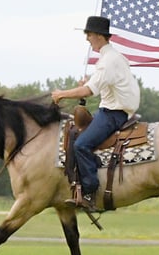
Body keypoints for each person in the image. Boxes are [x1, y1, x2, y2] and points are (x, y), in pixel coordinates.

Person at [51, 16, 140, 212]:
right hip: (113, 110)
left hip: (113, 114)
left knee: (81, 144)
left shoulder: (108, 60)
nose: (87, 39)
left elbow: (89, 91)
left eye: (89, 34)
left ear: (99, 36)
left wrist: (61, 94)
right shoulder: (112, 58)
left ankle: (90, 191)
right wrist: (85, 85)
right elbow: (99, 85)